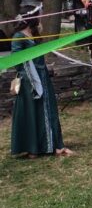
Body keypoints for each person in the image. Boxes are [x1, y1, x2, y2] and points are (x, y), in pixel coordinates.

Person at [10, 14, 73, 158]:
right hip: (29, 82)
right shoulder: (18, 37)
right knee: (31, 113)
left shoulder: (34, 34)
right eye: (37, 17)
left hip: (43, 79)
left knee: (49, 110)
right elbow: (18, 61)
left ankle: (55, 146)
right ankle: (33, 148)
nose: (39, 19)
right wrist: (32, 80)